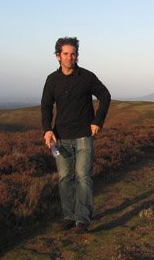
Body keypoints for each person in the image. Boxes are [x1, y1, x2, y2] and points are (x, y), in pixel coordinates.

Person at [41, 37, 111, 233]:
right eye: (65, 54)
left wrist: (98, 121)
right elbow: (46, 106)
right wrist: (47, 129)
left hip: (83, 136)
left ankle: (82, 220)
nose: (70, 57)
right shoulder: (52, 80)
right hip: (61, 137)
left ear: (77, 56)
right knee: (65, 177)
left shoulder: (87, 77)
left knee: (83, 176)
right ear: (58, 56)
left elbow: (105, 96)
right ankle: (69, 216)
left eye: (73, 54)